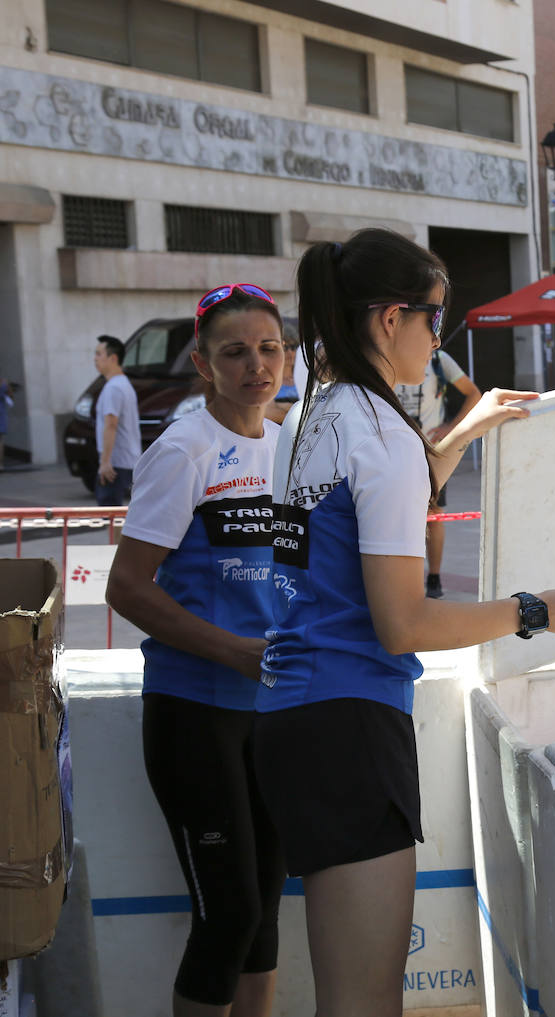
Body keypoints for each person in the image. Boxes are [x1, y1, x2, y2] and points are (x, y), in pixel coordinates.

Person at [255, 228, 555, 1017]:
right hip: (350, 721)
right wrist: (538, 610)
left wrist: (463, 431)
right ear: (390, 320)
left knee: (344, 995)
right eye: (434, 318)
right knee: (365, 1000)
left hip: (292, 716)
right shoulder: (380, 430)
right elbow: (402, 620)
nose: (439, 339)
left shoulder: (310, 412)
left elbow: (372, 515)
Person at [106, 283, 288, 1017]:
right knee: (229, 914)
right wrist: (234, 650)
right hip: (194, 712)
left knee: (267, 912)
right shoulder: (184, 448)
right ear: (203, 363)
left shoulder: (285, 444)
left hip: (271, 711)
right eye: (235, 352)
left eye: (270, 348)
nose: (256, 365)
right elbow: (126, 585)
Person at [394, 347, 481, 598]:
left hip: (432, 452)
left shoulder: (440, 360)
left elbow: (473, 394)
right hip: (394, 449)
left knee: (433, 515)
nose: (433, 337)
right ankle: (402, 582)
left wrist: (451, 428)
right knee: (395, 515)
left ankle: (434, 577)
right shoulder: (389, 356)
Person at [93, 334, 142, 505]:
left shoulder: (113, 388)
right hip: (126, 461)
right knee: (120, 518)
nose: (95, 359)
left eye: (99, 354)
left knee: (113, 517)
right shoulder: (123, 384)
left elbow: (111, 425)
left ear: (113, 358)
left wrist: (105, 462)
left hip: (116, 465)